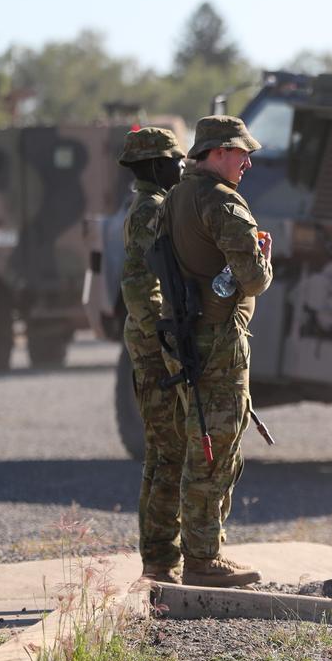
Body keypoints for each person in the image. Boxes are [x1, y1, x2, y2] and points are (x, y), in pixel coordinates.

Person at [159, 115, 272, 588]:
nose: (247, 161)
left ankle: (203, 550)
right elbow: (254, 280)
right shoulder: (223, 204)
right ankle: (204, 558)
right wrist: (264, 257)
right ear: (219, 151)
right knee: (214, 451)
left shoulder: (177, 197)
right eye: (241, 152)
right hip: (217, 342)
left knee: (203, 443)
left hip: (185, 338)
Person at [117, 127, 187, 584]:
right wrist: (165, 341)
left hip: (147, 341)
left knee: (162, 452)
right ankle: (161, 558)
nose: (182, 167)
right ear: (157, 165)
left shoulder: (146, 206)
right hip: (152, 346)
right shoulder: (153, 209)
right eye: (175, 161)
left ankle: (158, 557)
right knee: (170, 452)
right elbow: (140, 283)